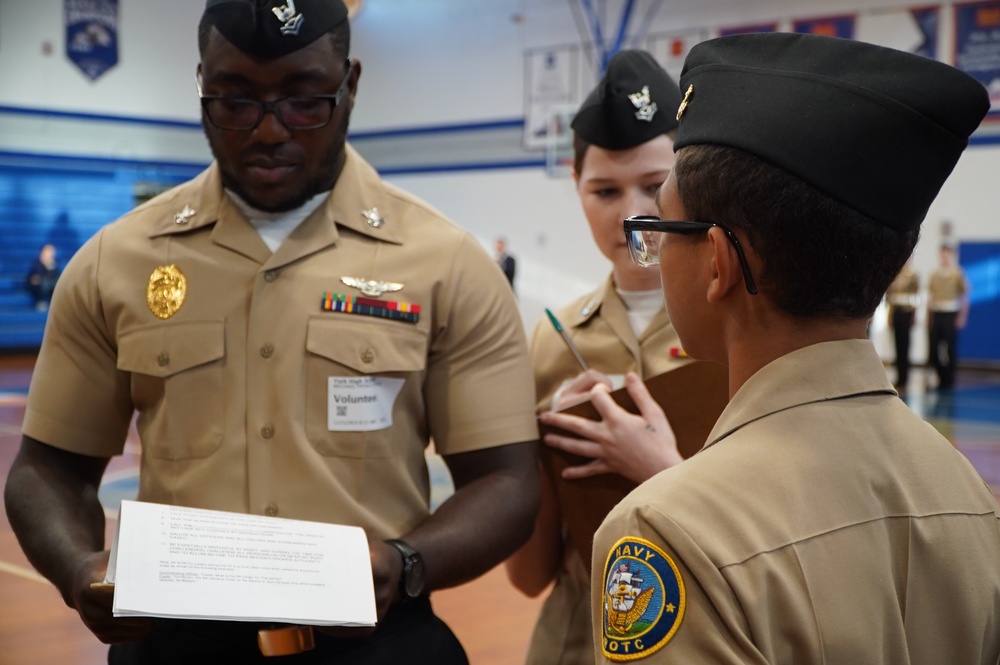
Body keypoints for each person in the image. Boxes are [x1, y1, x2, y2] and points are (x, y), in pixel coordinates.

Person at [4, 1, 540, 663]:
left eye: (304, 99)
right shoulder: (115, 262)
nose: (268, 130)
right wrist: (77, 567)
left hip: (378, 642)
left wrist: (407, 562)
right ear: (201, 81)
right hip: (176, 647)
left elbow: (508, 481)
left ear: (351, 84)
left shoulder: (446, 262)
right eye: (234, 100)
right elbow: (48, 468)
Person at [593, 33, 1000, 663]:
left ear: (719, 264)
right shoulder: (967, 491)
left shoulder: (667, 530)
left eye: (662, 227)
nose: (652, 251)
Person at [505, 50, 689, 665]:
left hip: (711, 628)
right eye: (604, 190)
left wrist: (663, 469)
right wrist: (536, 447)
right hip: (579, 637)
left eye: (655, 185)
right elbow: (528, 575)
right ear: (578, 192)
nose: (632, 213)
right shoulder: (552, 341)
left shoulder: (744, 324)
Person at [927, 243, 970, 390]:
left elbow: (964, 296)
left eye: (947, 254)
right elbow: (931, 297)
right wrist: (929, 317)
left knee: (949, 348)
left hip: (951, 313)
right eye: (942, 254)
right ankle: (942, 377)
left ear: (951, 256)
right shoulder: (935, 274)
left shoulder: (957, 273)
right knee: (933, 349)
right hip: (937, 313)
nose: (944, 257)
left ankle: (949, 380)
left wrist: (962, 316)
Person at [885, 257, 919, 389]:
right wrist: (890, 316)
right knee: (897, 345)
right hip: (897, 312)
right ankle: (899, 375)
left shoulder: (913, 275)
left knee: (905, 345)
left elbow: (916, 296)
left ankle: (905, 376)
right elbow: (891, 298)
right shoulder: (895, 275)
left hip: (907, 312)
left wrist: (914, 315)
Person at [25, 243, 60, 311]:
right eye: (48, 251)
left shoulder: (55, 264)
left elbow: (57, 276)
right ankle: (42, 302)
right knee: (44, 283)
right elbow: (33, 278)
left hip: (51, 286)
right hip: (38, 287)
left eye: (52, 252)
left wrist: (51, 268)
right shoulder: (36, 264)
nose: (51, 254)